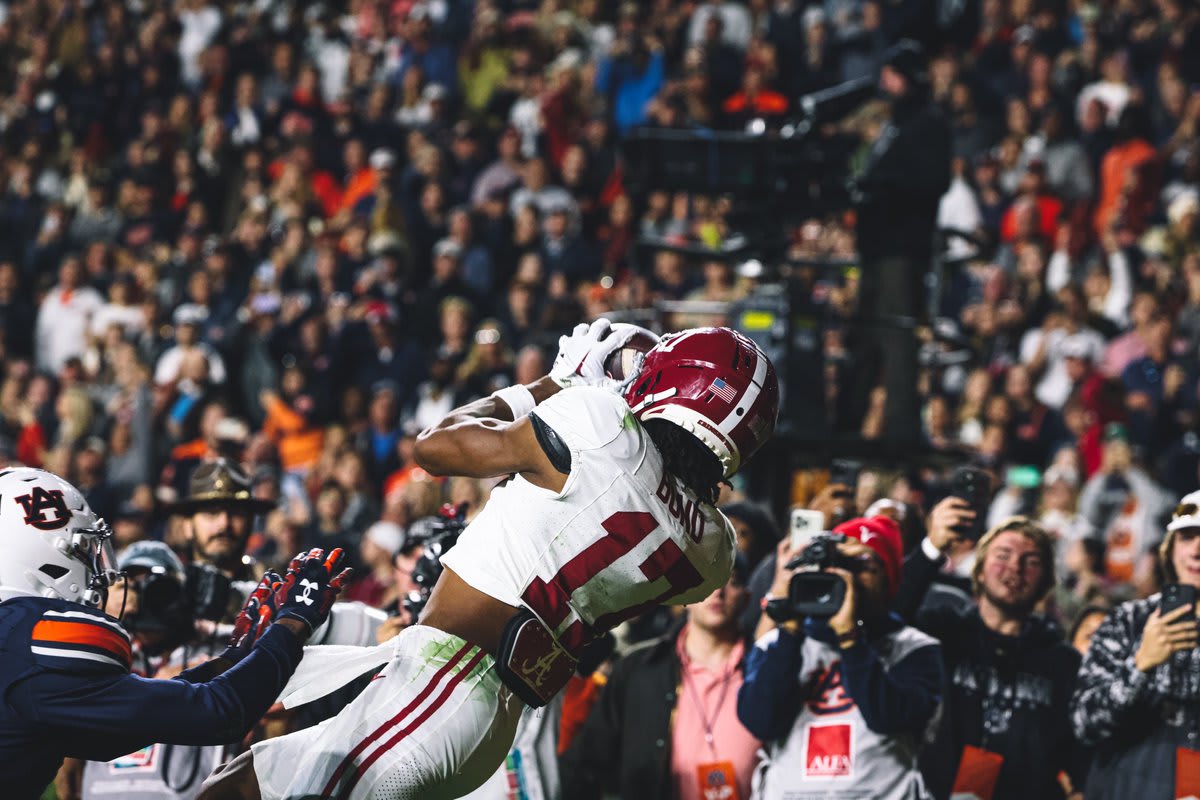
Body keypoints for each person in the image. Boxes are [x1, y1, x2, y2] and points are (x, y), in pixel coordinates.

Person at [199, 321, 779, 800]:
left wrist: (554, 384)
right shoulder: (714, 551)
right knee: (237, 784)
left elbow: (434, 445)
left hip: (444, 681)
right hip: (482, 712)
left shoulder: (604, 430)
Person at [0, 467, 349, 800]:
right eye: (84, 550)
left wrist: (232, 660)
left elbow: (133, 723)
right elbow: (218, 714)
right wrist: (294, 621)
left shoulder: (14, 641)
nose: (97, 569)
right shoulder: (35, 637)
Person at [737, 515, 943, 799]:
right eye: (842, 566)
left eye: (865, 567)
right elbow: (760, 721)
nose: (851, 578)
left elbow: (889, 717)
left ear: (889, 581)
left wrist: (850, 640)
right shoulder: (777, 642)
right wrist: (791, 628)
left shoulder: (914, 648)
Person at [895, 503, 1087, 799]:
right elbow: (890, 616)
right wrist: (932, 549)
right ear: (980, 571)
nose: (1015, 567)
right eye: (1002, 555)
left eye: (1031, 561)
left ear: (1046, 582)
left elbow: (1079, 754)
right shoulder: (941, 632)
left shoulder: (1064, 663)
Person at [560, 555, 760, 800]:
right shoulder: (639, 668)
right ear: (688, 592)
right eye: (711, 579)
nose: (718, 591)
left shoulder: (766, 668)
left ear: (747, 597)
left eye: (733, 581)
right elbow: (586, 761)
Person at [846, 39, 951, 439]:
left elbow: (932, 181)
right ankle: (850, 422)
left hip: (901, 250)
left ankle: (900, 428)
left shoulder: (928, 123)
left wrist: (881, 187)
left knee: (895, 336)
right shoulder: (894, 124)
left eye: (892, 74)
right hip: (875, 248)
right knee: (865, 336)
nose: (884, 82)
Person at [1071, 490, 1200, 799]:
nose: (1197, 551)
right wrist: (1140, 664)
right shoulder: (1128, 621)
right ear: (1170, 550)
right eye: (1187, 537)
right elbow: (1085, 724)